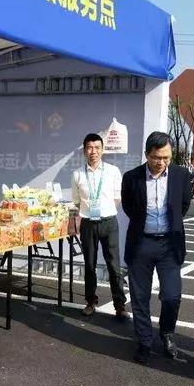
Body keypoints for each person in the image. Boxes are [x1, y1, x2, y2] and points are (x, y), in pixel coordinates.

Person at [121, 132, 192, 364]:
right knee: (139, 297)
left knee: (172, 295)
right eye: (156, 157)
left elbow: (182, 206)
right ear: (147, 155)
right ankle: (144, 341)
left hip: (169, 245)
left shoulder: (181, 175)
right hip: (141, 243)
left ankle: (167, 333)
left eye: (166, 158)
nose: (161, 162)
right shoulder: (132, 177)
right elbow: (130, 208)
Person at [71, 133, 127, 320]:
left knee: (114, 266)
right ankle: (90, 302)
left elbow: (117, 198)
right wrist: (89, 211)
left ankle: (120, 305)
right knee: (89, 265)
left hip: (109, 222)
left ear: (102, 150)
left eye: (97, 148)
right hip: (88, 223)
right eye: (89, 148)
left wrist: (104, 210)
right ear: (84, 151)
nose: (93, 151)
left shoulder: (113, 171)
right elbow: (77, 201)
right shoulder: (78, 174)